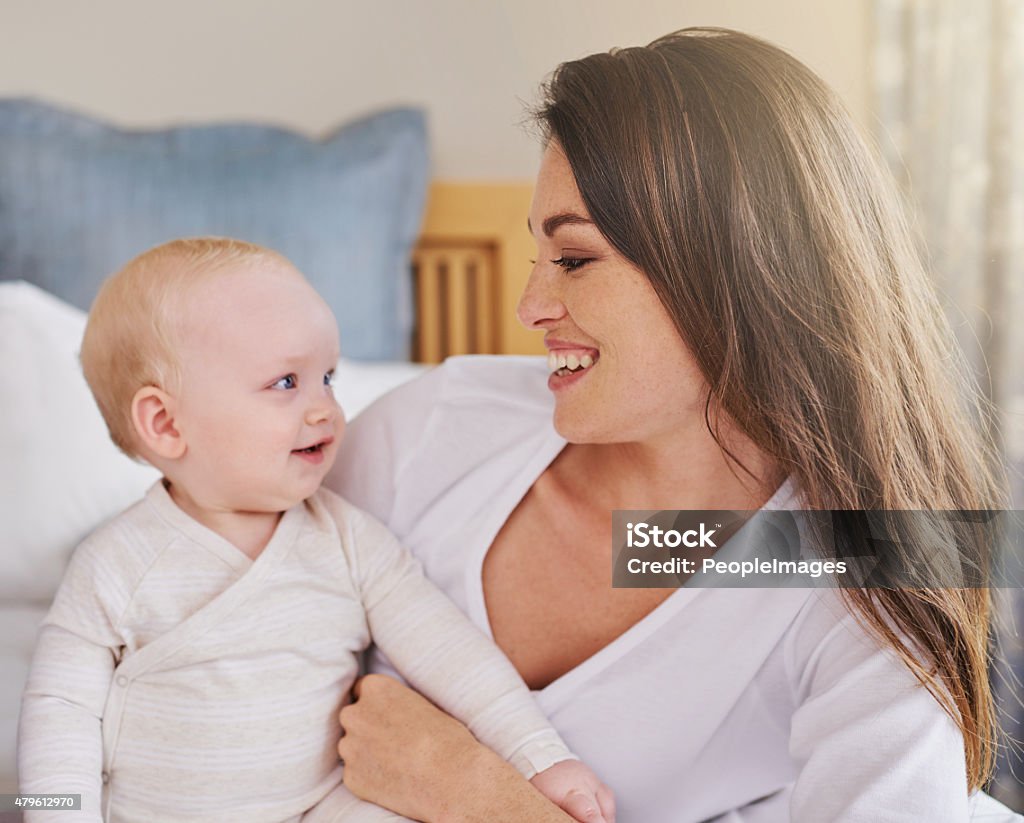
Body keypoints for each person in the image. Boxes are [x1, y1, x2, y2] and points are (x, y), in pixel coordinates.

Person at [325, 27, 1021, 823]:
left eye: (575, 259)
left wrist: (476, 795)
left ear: (733, 268)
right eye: (537, 258)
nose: (529, 308)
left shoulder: (865, 560)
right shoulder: (432, 432)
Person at [17, 238, 615, 823]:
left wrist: (540, 756)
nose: (325, 407)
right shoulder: (113, 564)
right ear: (166, 423)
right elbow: (58, 719)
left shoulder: (348, 540)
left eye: (327, 376)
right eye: (286, 383)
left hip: (321, 805)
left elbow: (454, 657)